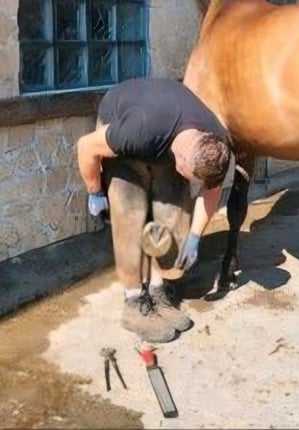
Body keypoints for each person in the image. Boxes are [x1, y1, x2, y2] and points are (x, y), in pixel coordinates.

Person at [76, 77, 231, 342]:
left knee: (174, 215)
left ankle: (160, 289)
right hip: (125, 118)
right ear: (180, 159)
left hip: (166, 131)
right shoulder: (138, 131)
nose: (193, 183)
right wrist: (95, 192)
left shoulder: (214, 146)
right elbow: (86, 146)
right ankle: (134, 301)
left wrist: (194, 237)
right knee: (129, 213)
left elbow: (211, 190)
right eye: (190, 176)